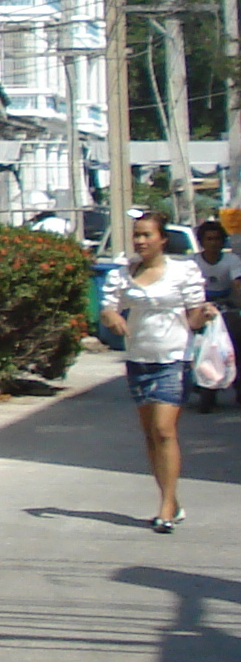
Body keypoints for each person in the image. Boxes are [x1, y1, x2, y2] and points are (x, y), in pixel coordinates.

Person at [99, 210, 214, 532]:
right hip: (138, 359)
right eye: (137, 235)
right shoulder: (122, 273)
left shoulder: (183, 272)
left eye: (147, 235)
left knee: (165, 430)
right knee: (151, 434)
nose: (140, 241)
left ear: (162, 239)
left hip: (173, 358)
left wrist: (204, 314)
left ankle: (165, 508)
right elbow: (108, 308)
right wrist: (113, 318)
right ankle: (171, 499)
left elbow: (192, 318)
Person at [194, 221, 238, 412]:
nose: (213, 243)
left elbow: (237, 285)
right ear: (202, 242)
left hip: (226, 306)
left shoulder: (232, 261)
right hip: (200, 307)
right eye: (208, 239)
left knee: (236, 342)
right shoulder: (192, 262)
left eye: (217, 239)